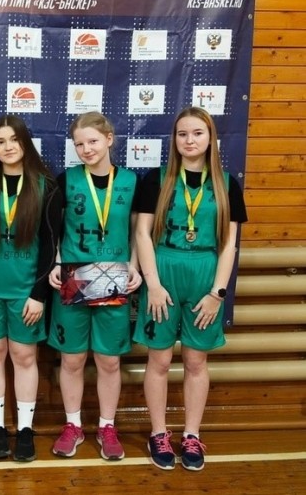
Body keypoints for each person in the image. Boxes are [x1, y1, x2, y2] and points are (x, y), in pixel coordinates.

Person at [133, 106, 247, 471]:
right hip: (164, 269)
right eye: (182, 134)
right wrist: (152, 284)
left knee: (196, 360)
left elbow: (229, 245)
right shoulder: (157, 179)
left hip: (205, 273)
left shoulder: (227, 184)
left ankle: (192, 434)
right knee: (160, 359)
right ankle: (158, 433)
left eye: (197, 133)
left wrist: (217, 293)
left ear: (210, 138)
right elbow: (142, 234)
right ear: (174, 139)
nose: (189, 140)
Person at [48, 111, 142, 462]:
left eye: (93, 141)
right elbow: (54, 229)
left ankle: (107, 426)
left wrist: (136, 266)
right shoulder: (67, 180)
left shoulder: (131, 182)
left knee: (108, 360)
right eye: (79, 144)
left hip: (114, 274)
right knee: (72, 358)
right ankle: (73, 425)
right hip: (76, 274)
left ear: (109, 139)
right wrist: (56, 262)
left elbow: (139, 231)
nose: (86, 149)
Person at [0, 115, 61, 462]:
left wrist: (39, 294)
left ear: (25, 143)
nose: (8, 147)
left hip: (26, 290)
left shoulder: (45, 185)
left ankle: (24, 429)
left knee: (24, 356)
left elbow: (51, 244)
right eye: (0, 141)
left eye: (14, 140)